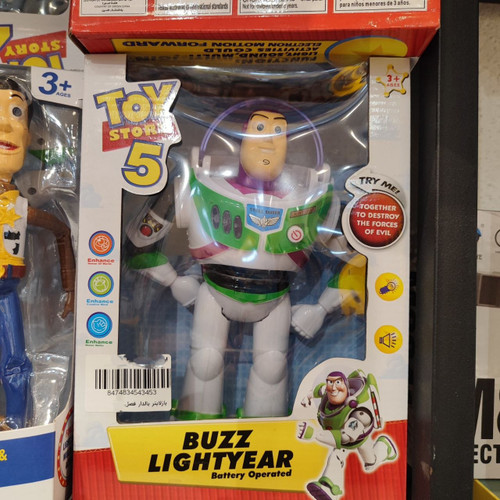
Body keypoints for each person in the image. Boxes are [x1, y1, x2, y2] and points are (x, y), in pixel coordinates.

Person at [127, 107, 353, 419]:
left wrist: (323, 308)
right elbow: (138, 244)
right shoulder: (196, 187)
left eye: (278, 132)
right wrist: (172, 280)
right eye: (260, 129)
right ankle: (196, 424)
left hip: (275, 298)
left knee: (272, 368)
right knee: (205, 363)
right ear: (243, 136)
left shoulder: (317, 201)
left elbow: (363, 261)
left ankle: (264, 430)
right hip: (214, 292)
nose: (268, 141)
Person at [0, 76, 75, 429]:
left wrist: (70, 287)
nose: (4, 124)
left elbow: (61, 230)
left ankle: (16, 423)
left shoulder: (21, 206)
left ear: (29, 136)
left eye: (16, 113)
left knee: (16, 360)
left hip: (7, 291)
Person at [298, 370, 398, 500]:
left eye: (337, 383)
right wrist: (308, 396)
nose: (333, 388)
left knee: (370, 463)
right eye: (330, 383)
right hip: (343, 443)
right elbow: (319, 390)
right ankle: (330, 488)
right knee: (336, 456)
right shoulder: (329, 396)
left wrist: (315, 434)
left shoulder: (359, 414)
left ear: (345, 385)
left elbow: (345, 437)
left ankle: (385, 447)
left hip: (358, 440)